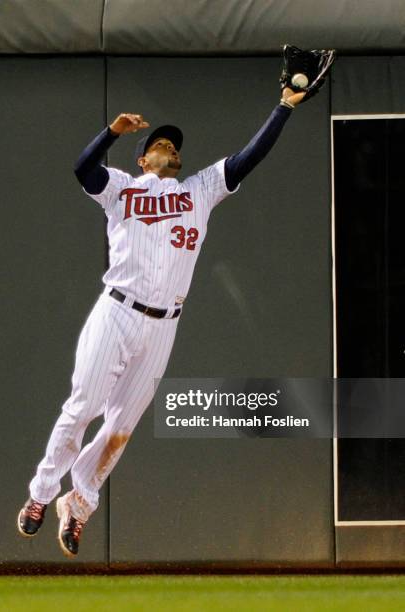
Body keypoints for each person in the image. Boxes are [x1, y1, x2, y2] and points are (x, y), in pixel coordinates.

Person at [17, 86, 306, 557]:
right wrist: (112, 131)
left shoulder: (199, 190)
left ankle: (80, 504)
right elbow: (82, 169)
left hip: (162, 325)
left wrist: (284, 107)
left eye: (175, 146)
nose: (170, 148)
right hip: (116, 310)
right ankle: (41, 494)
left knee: (121, 427)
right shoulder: (121, 189)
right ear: (143, 161)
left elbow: (248, 158)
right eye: (160, 144)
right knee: (83, 405)